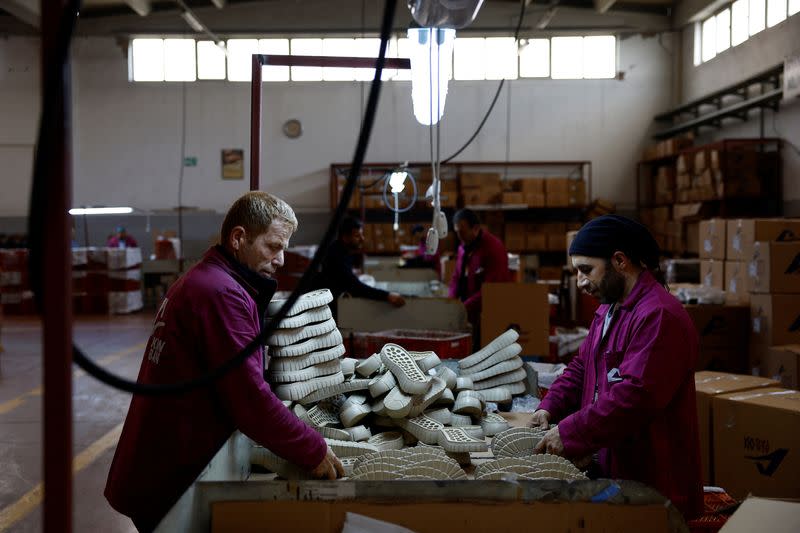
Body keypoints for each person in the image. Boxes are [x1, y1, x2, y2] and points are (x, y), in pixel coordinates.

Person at [105, 192, 344, 532]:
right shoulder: (221, 293)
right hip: (171, 471)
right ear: (238, 238)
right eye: (273, 247)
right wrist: (313, 449)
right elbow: (248, 399)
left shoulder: (209, 279)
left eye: (284, 249)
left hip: (160, 462)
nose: (280, 260)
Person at [530, 214, 702, 519]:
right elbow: (583, 365)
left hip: (653, 483)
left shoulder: (658, 316)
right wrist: (549, 406)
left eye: (586, 270)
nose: (581, 282)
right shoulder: (610, 309)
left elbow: (635, 398)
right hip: (615, 468)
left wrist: (570, 433)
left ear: (620, 261)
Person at [312, 216, 405, 318]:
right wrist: (387, 296)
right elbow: (356, 288)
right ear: (345, 238)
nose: (362, 238)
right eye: (357, 236)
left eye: (361, 234)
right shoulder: (337, 255)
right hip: (328, 311)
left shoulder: (340, 249)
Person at [448, 208, 512, 340]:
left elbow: (492, 289)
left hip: (489, 314)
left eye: (463, 233)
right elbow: (457, 276)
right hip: (469, 311)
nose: (460, 238)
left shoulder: (493, 248)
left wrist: (463, 307)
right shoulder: (464, 247)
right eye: (457, 233)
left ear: (476, 228)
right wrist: (451, 301)